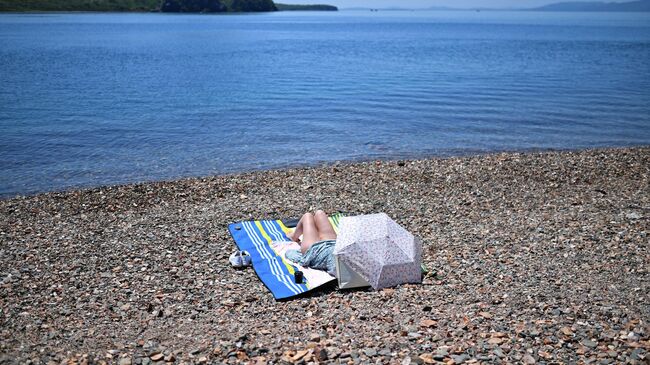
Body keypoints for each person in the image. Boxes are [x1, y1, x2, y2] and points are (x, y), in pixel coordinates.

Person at [285, 210, 337, 276]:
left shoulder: (340, 265)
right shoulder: (350, 263)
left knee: (308, 216)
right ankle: (314, 231)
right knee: (319, 213)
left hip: (319, 249)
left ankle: (294, 236)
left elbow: (334, 270)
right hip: (331, 244)